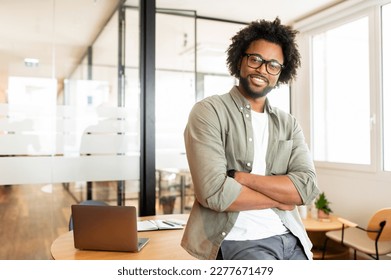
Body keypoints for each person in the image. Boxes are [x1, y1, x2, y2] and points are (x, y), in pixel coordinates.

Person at [181, 17, 320, 260]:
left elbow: (306, 189)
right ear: (240, 60)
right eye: (255, 59)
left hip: (294, 238)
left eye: (273, 65)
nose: (262, 70)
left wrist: (243, 178)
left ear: (281, 73)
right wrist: (282, 199)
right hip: (241, 241)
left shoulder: (289, 123)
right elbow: (214, 193)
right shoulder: (209, 111)